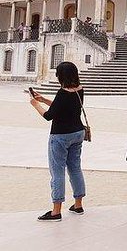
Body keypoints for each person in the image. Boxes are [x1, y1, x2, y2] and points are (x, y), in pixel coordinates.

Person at [29, 62, 86, 221]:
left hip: (61, 135)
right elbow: (62, 107)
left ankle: (56, 211)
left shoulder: (62, 93)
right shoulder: (79, 90)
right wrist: (44, 99)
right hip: (78, 132)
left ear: (60, 76)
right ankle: (78, 204)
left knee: (57, 171)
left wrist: (35, 104)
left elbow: (49, 116)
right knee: (75, 168)